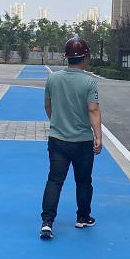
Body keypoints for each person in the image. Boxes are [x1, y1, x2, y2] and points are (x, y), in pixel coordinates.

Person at [39, 36, 102, 240]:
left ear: (67, 57)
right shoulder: (89, 82)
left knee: (54, 180)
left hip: (57, 140)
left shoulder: (53, 79)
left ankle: (47, 222)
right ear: (85, 57)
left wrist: (56, 121)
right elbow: (93, 110)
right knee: (83, 181)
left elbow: (47, 106)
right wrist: (98, 136)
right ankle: (83, 217)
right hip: (82, 141)